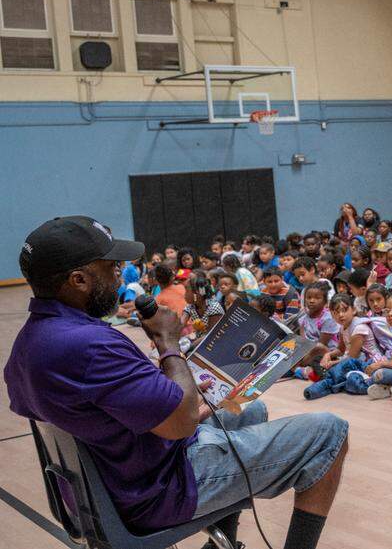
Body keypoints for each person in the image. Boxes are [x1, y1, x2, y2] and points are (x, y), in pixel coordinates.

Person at [6, 216, 347, 549]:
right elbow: (181, 424)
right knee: (329, 431)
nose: (117, 272)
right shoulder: (91, 346)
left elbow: (108, 409)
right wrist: (168, 342)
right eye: (110, 266)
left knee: (247, 410)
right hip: (157, 492)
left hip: (110, 483)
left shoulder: (28, 346)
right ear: (79, 280)